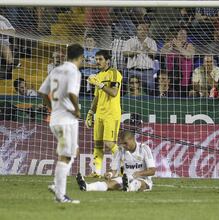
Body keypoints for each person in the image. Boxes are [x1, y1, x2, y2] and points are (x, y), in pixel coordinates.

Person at [38, 43, 83, 203]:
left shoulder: (55, 69)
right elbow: (71, 93)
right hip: (67, 121)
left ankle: (57, 187)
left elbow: (42, 91)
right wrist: (77, 109)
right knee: (66, 156)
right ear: (81, 57)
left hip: (55, 119)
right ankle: (60, 195)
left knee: (70, 153)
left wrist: (51, 108)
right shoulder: (74, 72)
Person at [76, 130, 156, 192]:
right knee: (109, 184)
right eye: (122, 143)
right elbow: (114, 170)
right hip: (126, 178)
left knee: (137, 183)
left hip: (143, 180)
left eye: (125, 143)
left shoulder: (144, 149)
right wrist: (110, 174)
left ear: (132, 139)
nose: (124, 146)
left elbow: (152, 171)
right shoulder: (120, 150)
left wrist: (138, 174)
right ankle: (87, 187)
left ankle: (128, 187)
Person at [85, 50, 123, 178]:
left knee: (109, 143)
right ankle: (96, 171)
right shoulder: (98, 75)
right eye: (96, 59)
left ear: (107, 60)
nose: (98, 62)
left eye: (100, 59)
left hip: (111, 114)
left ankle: (123, 168)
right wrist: (90, 112)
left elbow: (113, 92)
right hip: (100, 114)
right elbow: (96, 97)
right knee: (98, 143)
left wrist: (100, 84)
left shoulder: (114, 73)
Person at [123, 24, 157, 95]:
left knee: (150, 92)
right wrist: (134, 52)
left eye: (144, 29)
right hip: (133, 71)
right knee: (131, 92)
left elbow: (154, 55)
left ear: (147, 31)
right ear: (137, 31)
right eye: (140, 29)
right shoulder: (130, 41)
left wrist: (147, 48)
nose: (142, 31)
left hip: (148, 72)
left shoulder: (152, 42)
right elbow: (125, 53)